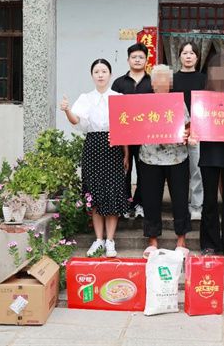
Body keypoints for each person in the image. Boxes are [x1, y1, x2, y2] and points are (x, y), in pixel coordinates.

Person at [61, 58, 129, 257]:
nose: (100, 75)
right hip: (93, 147)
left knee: (113, 194)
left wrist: (126, 153)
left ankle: (110, 241)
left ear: (110, 74)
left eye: (104, 71)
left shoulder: (118, 97)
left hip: (113, 147)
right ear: (92, 75)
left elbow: (124, 128)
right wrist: (67, 110)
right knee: (96, 194)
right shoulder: (85, 98)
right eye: (97, 71)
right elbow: (76, 120)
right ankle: (98, 240)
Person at [139, 64, 192, 258]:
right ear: (152, 83)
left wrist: (187, 133)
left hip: (177, 157)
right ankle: (152, 241)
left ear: (170, 83)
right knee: (151, 199)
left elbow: (188, 125)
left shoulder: (177, 101)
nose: (161, 82)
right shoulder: (144, 102)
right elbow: (134, 125)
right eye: (157, 79)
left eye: (165, 79)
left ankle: (181, 240)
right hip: (149, 157)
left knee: (180, 199)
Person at [195, 52, 224, 263]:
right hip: (209, 154)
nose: (220, 74)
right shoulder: (202, 98)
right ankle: (209, 243)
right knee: (210, 201)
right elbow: (196, 124)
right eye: (216, 70)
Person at [111, 42, 153, 219]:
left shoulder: (152, 82)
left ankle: (140, 203)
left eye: (141, 57)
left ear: (146, 60)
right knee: (124, 170)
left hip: (146, 137)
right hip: (124, 137)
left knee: (145, 172)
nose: (137, 60)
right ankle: (126, 204)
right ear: (128, 60)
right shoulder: (119, 83)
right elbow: (113, 110)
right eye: (134, 57)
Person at [172, 42, 206, 221]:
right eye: (184, 53)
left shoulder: (203, 79)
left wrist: (194, 128)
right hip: (176, 131)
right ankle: (180, 205)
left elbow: (206, 105)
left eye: (192, 53)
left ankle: (196, 206)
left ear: (197, 57)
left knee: (196, 170)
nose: (188, 56)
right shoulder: (172, 79)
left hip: (197, 131)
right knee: (178, 173)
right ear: (179, 56)